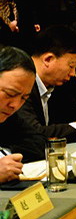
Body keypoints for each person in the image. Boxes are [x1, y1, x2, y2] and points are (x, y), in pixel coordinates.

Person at [14, 25, 76, 145]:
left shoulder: (57, 84)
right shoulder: (19, 83)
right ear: (48, 59)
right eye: (71, 66)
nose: (72, 73)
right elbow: (32, 134)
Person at [0, 46, 36, 182]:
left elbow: (37, 143)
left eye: (24, 98)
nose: (15, 105)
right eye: (10, 94)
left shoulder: (8, 116)